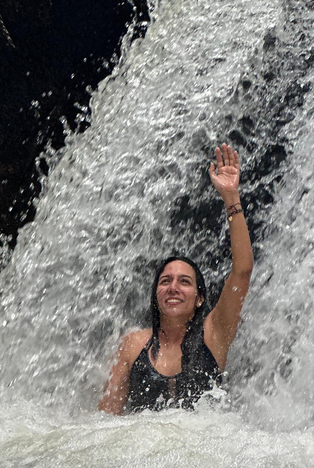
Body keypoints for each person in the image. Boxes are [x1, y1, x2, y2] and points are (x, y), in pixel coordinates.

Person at [98, 143, 253, 414]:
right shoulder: (133, 345)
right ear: (155, 294)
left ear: (199, 298)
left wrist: (231, 197)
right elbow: (105, 419)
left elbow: (242, 270)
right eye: (165, 281)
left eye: (184, 281)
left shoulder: (214, 334)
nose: (173, 287)